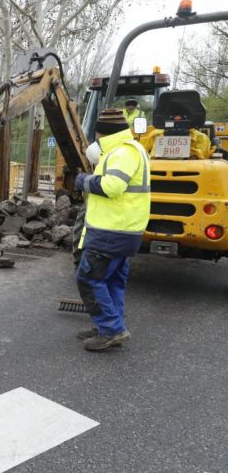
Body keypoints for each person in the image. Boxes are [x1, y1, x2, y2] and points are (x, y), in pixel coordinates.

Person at [73, 109, 150, 351]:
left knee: (89, 278)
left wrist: (83, 180)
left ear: (101, 132)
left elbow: (113, 186)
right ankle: (107, 326)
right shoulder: (129, 149)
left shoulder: (122, 152)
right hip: (122, 230)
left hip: (112, 231)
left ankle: (111, 329)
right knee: (112, 280)